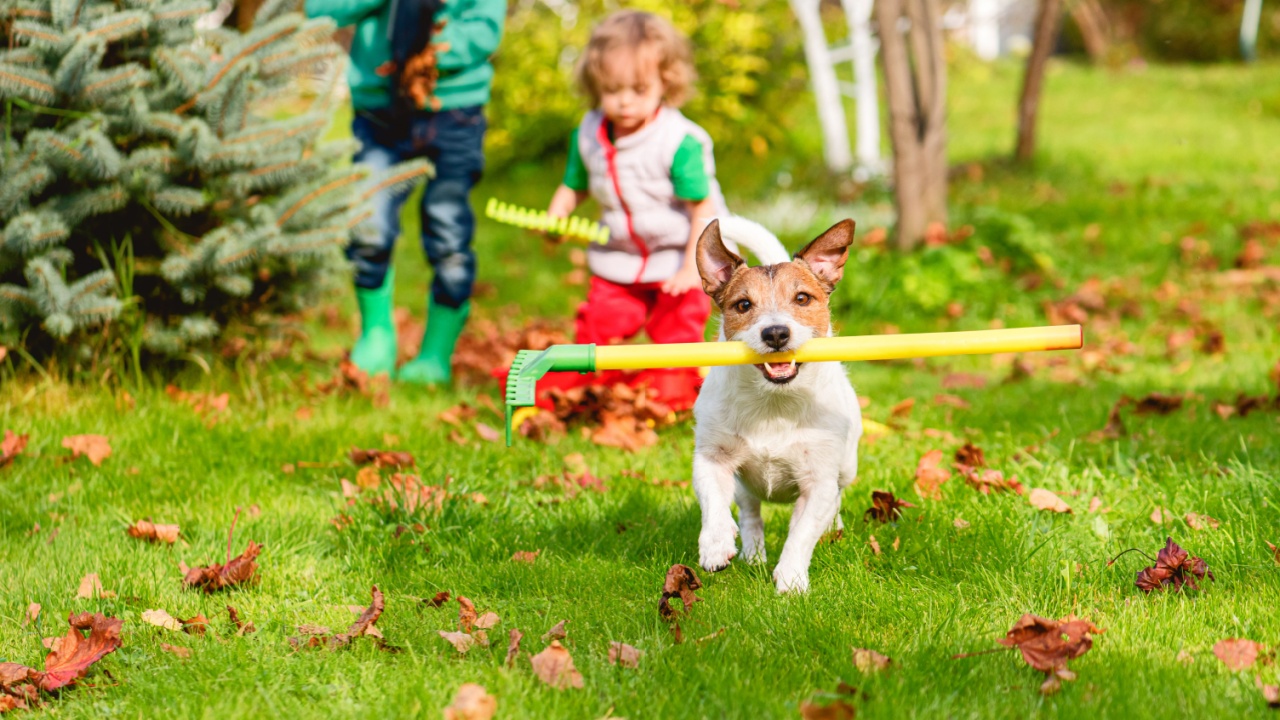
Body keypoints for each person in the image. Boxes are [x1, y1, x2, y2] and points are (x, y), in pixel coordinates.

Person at [304, 0, 507, 384]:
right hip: (379, 114)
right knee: (368, 223)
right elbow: (320, 10)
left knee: (448, 231)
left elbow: (485, 29)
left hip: (454, 111)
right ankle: (377, 336)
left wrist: (428, 47)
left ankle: (435, 353)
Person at [546, 10, 727, 409]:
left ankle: (672, 393)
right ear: (596, 86)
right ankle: (581, 388)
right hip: (619, 260)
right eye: (613, 90)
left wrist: (691, 269)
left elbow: (704, 208)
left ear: (667, 80)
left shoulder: (678, 142)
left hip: (681, 258)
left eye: (639, 89)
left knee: (676, 337)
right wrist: (556, 215)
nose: (624, 101)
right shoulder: (589, 133)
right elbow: (574, 186)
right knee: (600, 327)